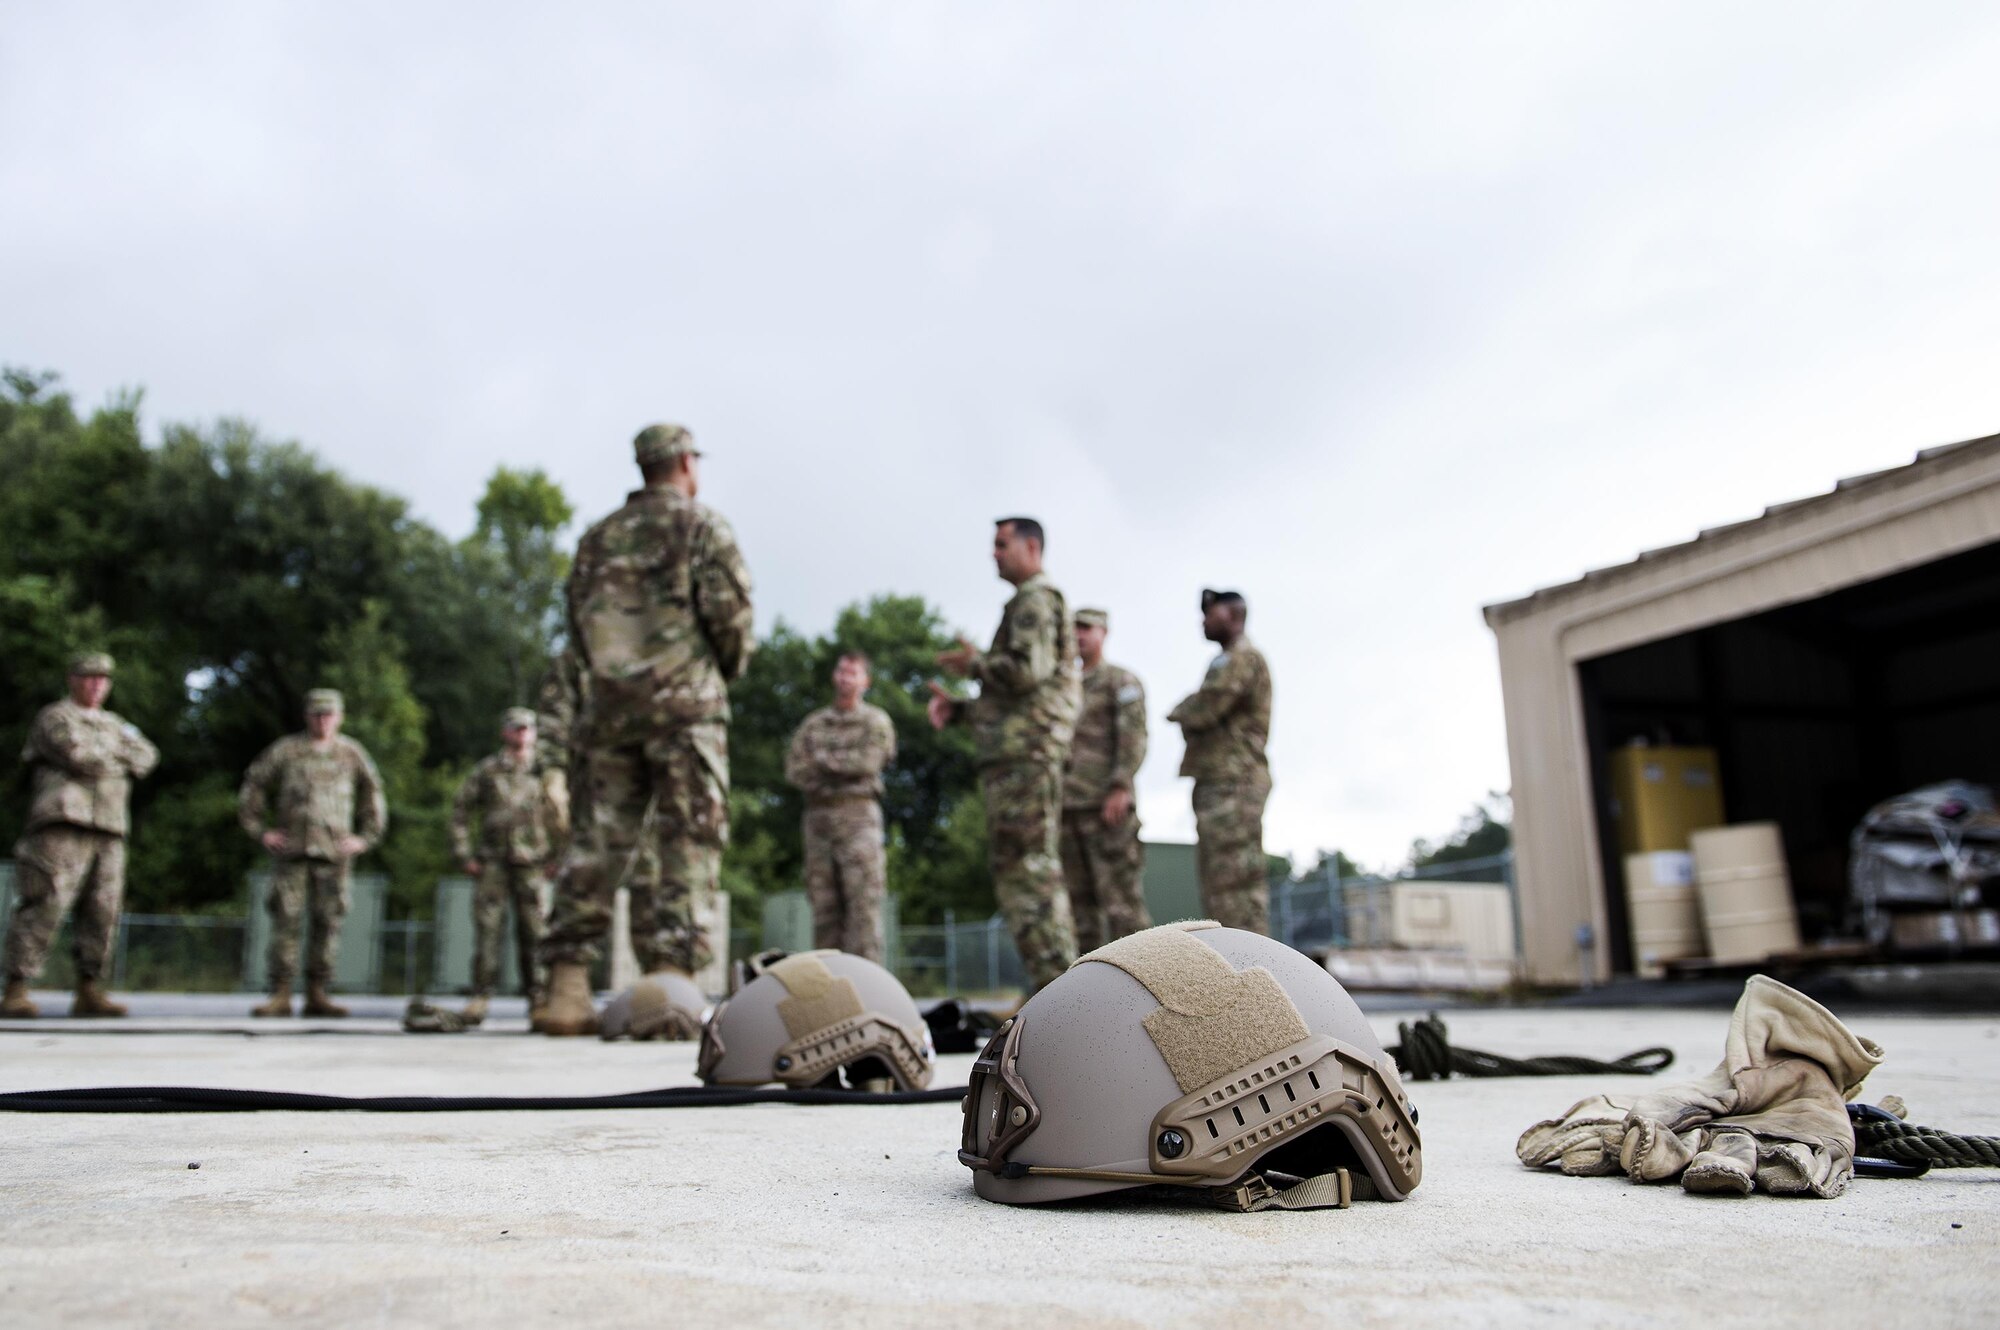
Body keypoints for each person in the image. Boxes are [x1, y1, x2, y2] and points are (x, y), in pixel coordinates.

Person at [536, 422, 754, 1036]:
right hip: (685, 706)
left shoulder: (597, 538)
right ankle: (670, 985)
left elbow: (578, 622)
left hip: (608, 709)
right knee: (688, 840)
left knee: (596, 841)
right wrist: (718, 673)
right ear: (685, 463)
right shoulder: (702, 526)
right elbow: (731, 616)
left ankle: (566, 987)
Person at [928, 517, 1081, 994]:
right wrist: (960, 711)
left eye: (1001, 544)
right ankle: (1056, 989)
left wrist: (974, 664)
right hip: (1018, 751)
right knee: (1021, 868)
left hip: (1024, 755)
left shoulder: (1035, 600)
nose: (993, 554)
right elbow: (1014, 701)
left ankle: (1062, 993)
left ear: (1031, 547)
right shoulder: (1031, 600)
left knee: (1028, 870)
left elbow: (1024, 674)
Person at [1, 653, 158, 1018]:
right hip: (61, 823)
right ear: (72, 679)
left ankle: (89, 989)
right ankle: (16, 987)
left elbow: (149, 756)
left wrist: (115, 754)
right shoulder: (56, 716)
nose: (96, 684)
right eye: (88, 677)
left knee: (104, 910)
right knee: (46, 903)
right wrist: (121, 757)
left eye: (103, 679)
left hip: (110, 826)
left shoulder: (115, 723)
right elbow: (79, 755)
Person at [238, 688, 387, 1017]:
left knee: (328, 923)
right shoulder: (288, 751)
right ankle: (281, 992)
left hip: (334, 854)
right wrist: (260, 830)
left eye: (329, 714)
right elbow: (254, 783)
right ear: (307, 716)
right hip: (292, 850)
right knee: (286, 921)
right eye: (317, 714)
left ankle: (318, 991)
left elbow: (373, 792)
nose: (323, 720)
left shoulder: (350, 753)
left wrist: (365, 838)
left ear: (339, 717)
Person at [450, 707, 566, 1024]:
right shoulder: (488, 771)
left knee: (536, 933)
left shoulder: (545, 772)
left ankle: (539, 1000)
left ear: (535, 733)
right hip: (493, 864)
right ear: (505, 732)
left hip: (534, 864)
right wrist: (464, 855)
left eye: (527, 728)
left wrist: (559, 857)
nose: (522, 734)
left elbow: (563, 818)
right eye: (516, 728)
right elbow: (460, 810)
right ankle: (479, 997)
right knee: (488, 932)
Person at [1168, 589, 1273, 933]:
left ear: (1231, 614)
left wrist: (1181, 711)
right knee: (1220, 889)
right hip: (1220, 780)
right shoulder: (1229, 659)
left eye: (1209, 613)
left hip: (1234, 782)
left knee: (1237, 889)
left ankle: (1254, 974)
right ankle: (1232, 974)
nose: (1203, 621)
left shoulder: (1241, 658)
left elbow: (1207, 707)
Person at [785, 652, 897, 961]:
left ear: (865, 681)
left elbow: (868, 761)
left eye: (853, 673)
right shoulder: (815, 724)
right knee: (824, 907)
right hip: (818, 820)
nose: (845, 677)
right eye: (841, 671)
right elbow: (795, 769)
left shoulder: (875, 720)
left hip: (858, 818)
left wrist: (821, 762)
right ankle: (832, 992)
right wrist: (841, 768)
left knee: (864, 907)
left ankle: (869, 989)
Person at [1060, 608, 1150, 953]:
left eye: (1085, 628)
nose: (1078, 635)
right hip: (1067, 812)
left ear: (1103, 632)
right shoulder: (1065, 686)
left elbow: (1133, 737)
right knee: (1080, 915)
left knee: (1122, 908)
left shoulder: (1120, 681)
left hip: (1105, 808)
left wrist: (1120, 786)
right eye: (1073, 629)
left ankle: (1145, 990)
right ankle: (1090, 997)